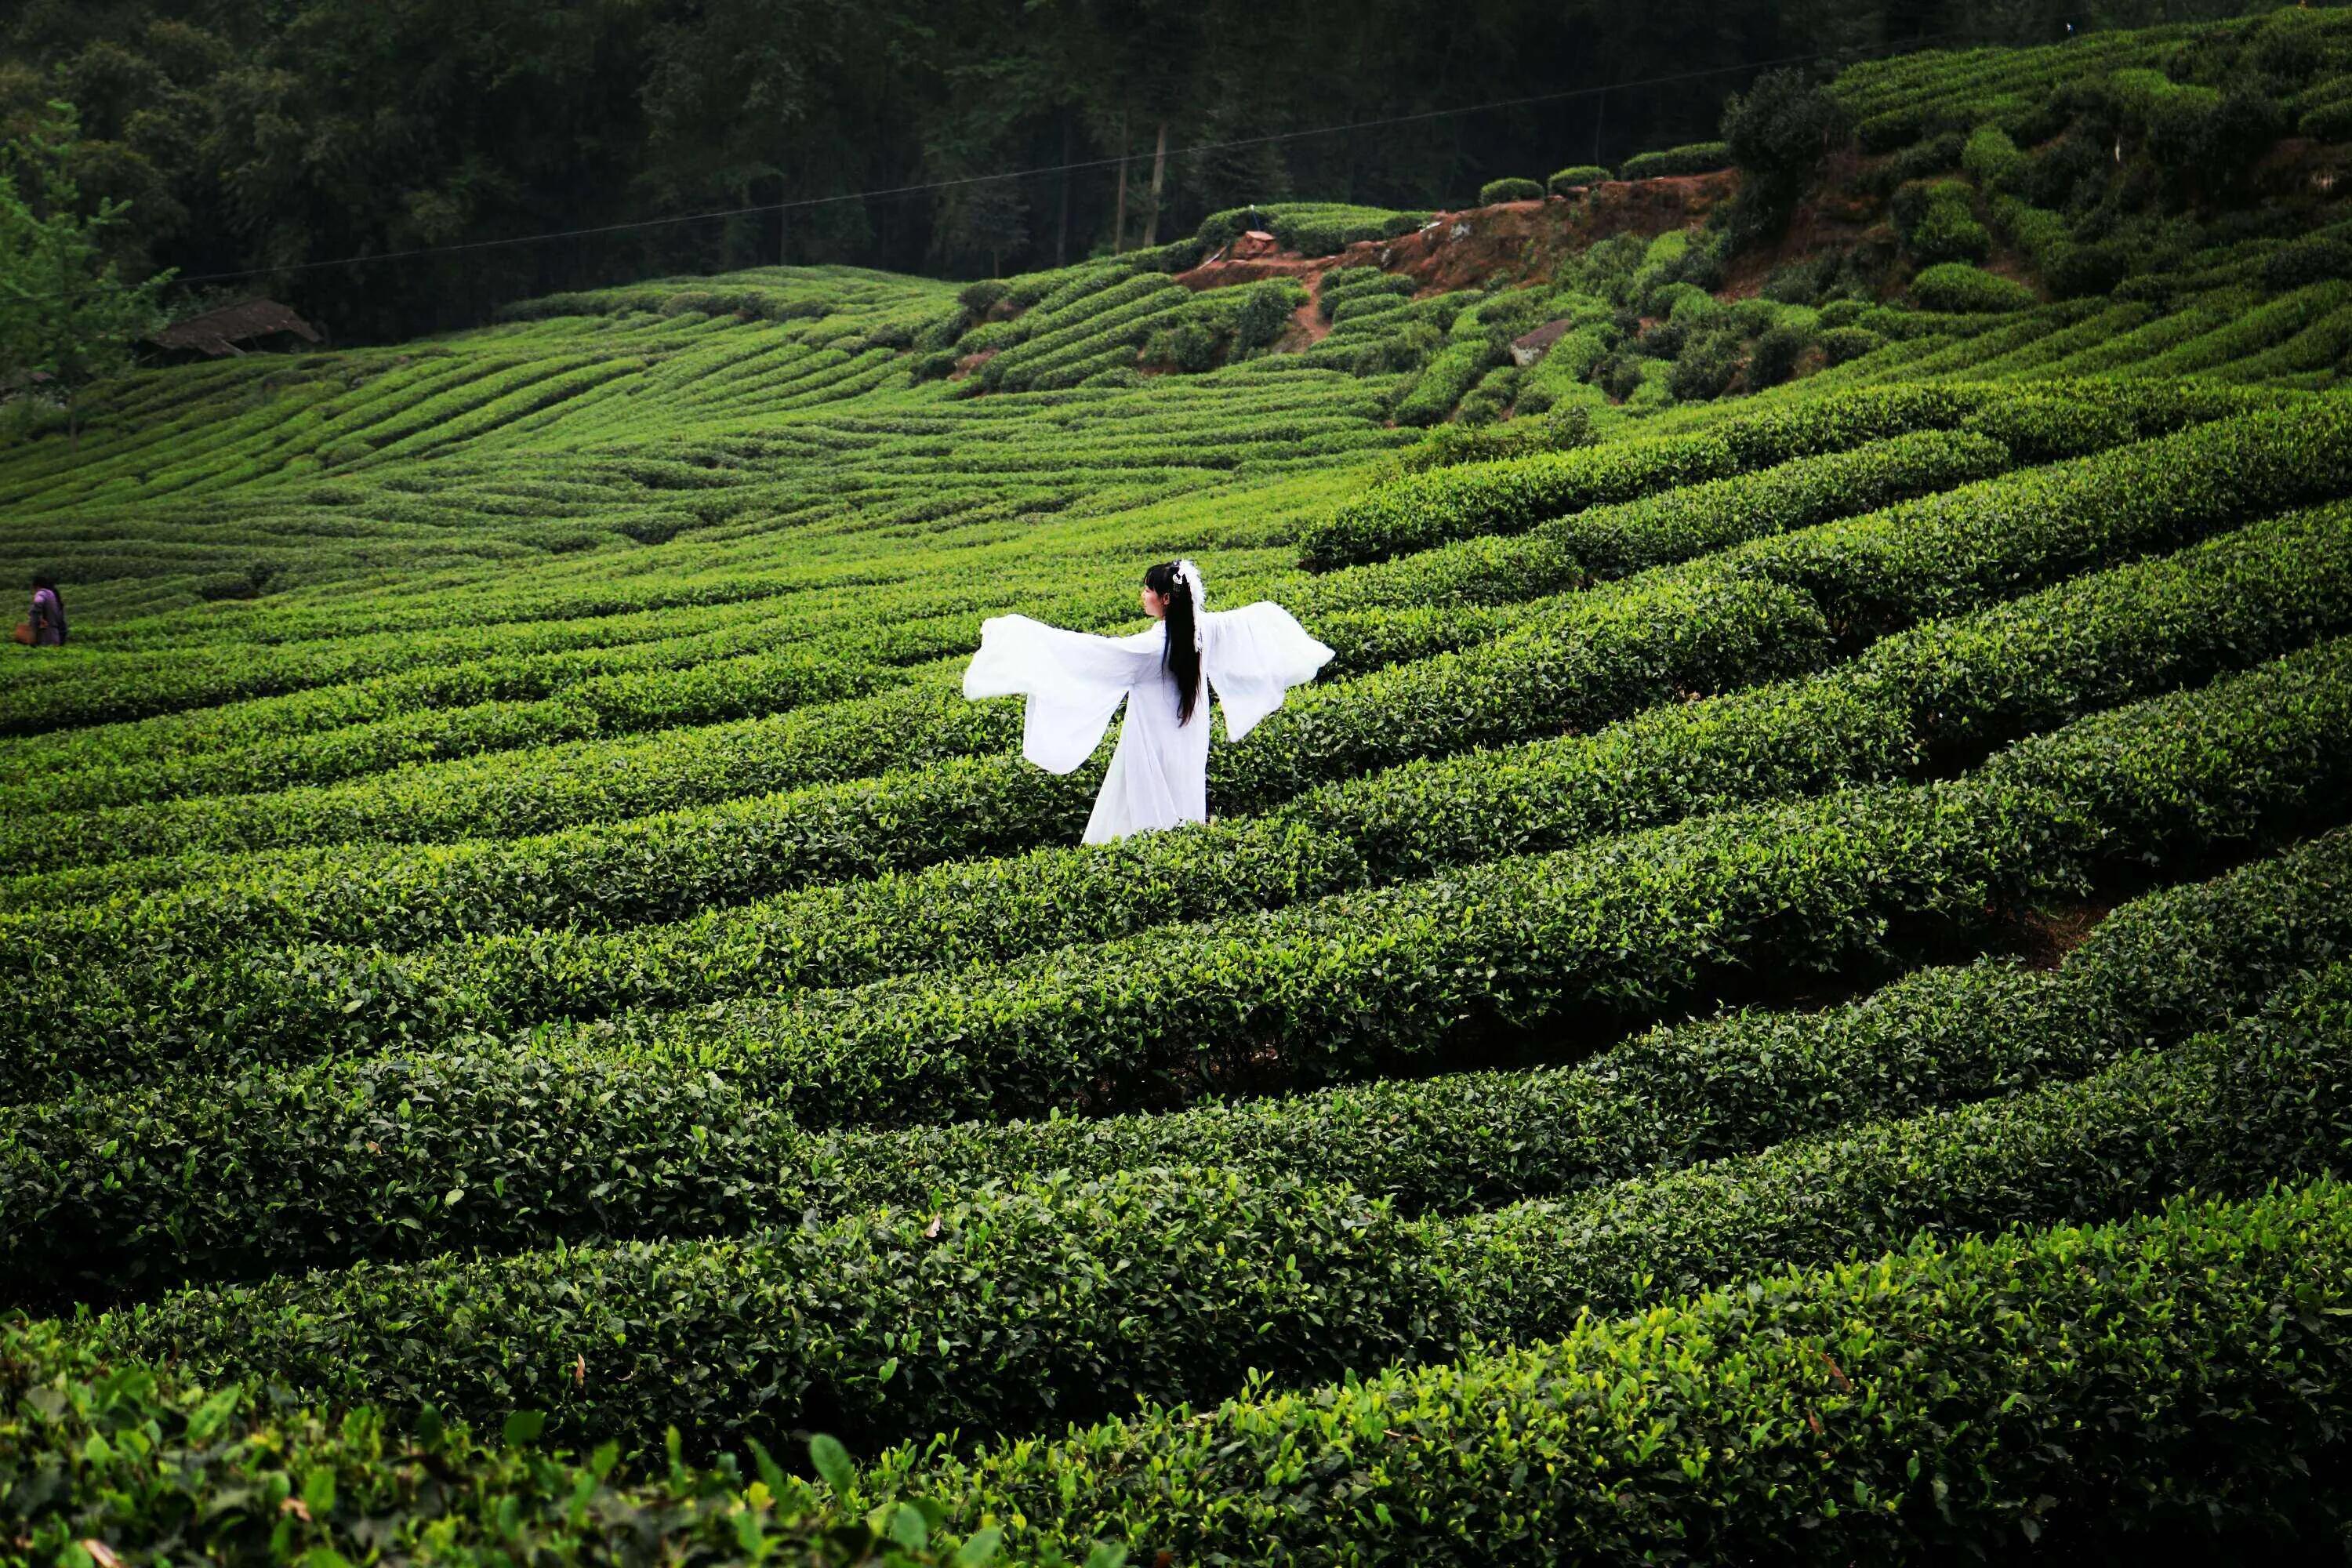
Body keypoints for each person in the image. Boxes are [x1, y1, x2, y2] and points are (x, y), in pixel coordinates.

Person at [963, 558, 1332, 843]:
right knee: (1183, 796)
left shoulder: (1152, 648)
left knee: (1141, 802)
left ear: (1166, 599)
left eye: (1147, 590)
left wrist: (1019, 634)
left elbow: (1091, 655)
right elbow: (1259, 618)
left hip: (1152, 741)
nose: (1143, 595)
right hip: (1188, 736)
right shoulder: (1204, 629)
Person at [27, 575, 66, 646]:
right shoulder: (51, 594)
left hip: (45, 635)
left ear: (36, 586)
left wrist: (36, 617)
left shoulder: (41, 593)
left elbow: (38, 601)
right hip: (55, 634)